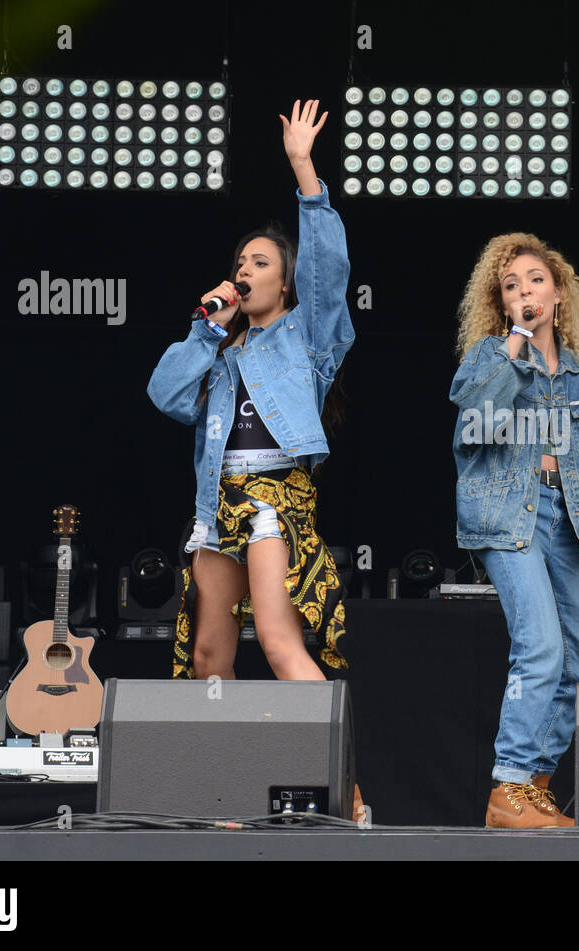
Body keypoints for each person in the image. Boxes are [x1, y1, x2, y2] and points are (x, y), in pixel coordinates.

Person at [147, 99, 354, 688]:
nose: (244, 270)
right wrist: (206, 327)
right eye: (239, 262)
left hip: (273, 498)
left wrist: (303, 169)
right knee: (209, 660)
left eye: (259, 263)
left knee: (279, 642)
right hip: (217, 503)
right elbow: (165, 395)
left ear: (285, 282)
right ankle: (223, 778)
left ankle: (345, 779)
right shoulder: (219, 352)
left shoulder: (307, 336)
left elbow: (328, 270)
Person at [450, 233, 579, 829]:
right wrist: (516, 345)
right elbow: (475, 423)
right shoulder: (490, 356)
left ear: (559, 295)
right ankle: (507, 785)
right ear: (502, 305)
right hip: (508, 513)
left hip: (571, 520)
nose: (525, 292)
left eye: (535, 281)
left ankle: (532, 787)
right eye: (511, 287)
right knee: (541, 647)